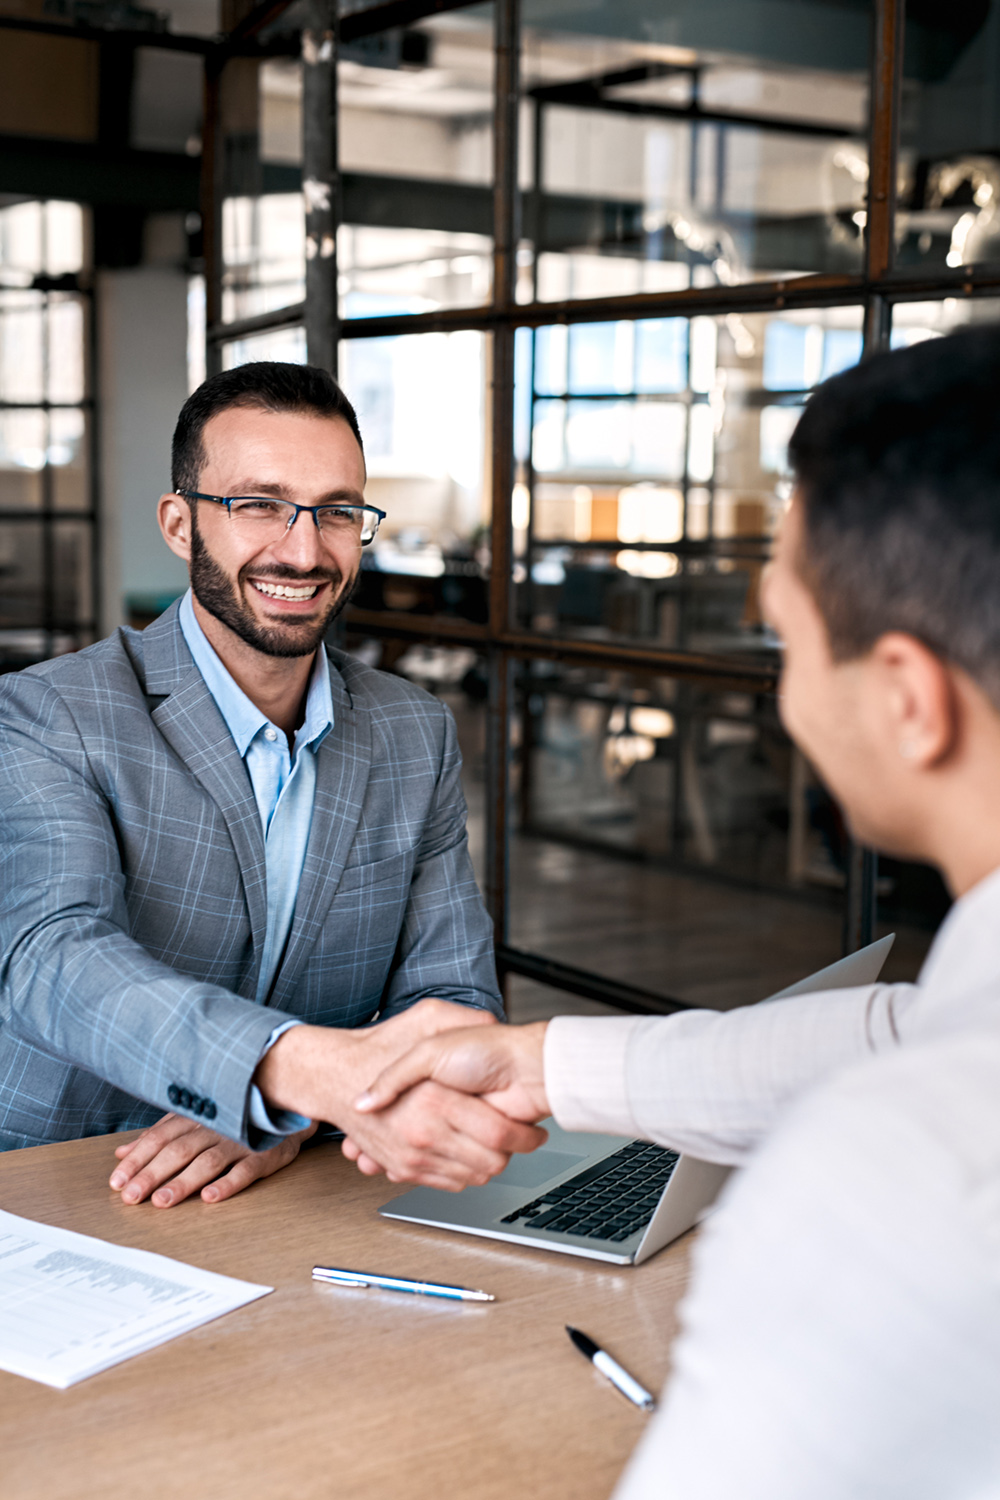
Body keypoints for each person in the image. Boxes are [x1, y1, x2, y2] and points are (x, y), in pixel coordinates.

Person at [349, 324, 1000, 1497]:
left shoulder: (884, 1187)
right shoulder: (955, 1054)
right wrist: (537, 1063)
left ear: (909, 700)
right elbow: (894, 1032)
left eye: (784, 641)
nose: (782, 693)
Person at [0, 362, 542, 1207]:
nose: (303, 549)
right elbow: (51, 959)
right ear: (180, 526)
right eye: (258, 504)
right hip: (71, 1180)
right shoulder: (49, 714)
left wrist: (291, 1118)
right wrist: (285, 1075)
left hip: (299, 1198)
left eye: (337, 511)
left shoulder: (413, 731)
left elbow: (452, 1000)